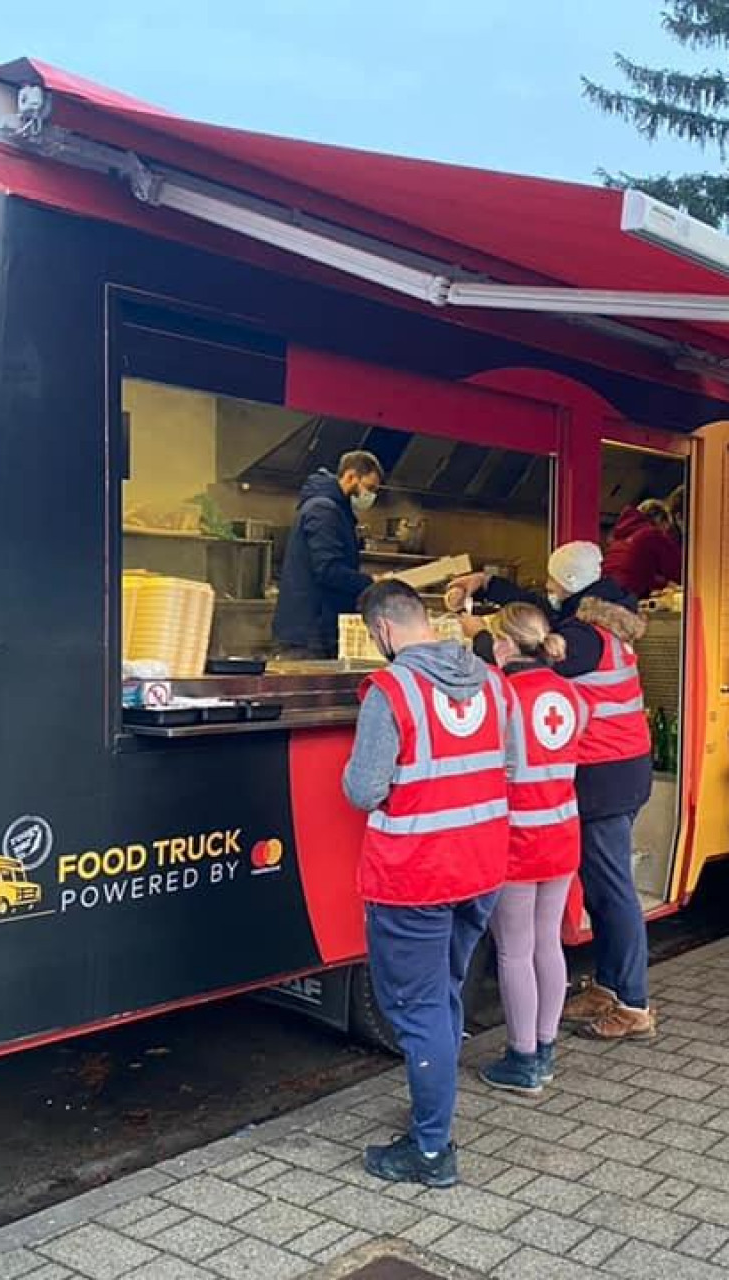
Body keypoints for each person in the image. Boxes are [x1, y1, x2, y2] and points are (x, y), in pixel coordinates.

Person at [450, 540, 657, 1042]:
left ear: (571, 586)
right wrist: (489, 584)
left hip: (605, 776)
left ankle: (633, 1004)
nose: (547, 590)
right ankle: (608, 987)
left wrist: (482, 637)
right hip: (618, 770)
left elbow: (526, 655)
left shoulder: (582, 638)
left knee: (613, 891)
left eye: (553, 581)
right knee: (602, 889)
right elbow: (538, 612)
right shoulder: (599, 619)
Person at [341, 580, 510, 1188]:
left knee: (418, 1009)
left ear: (383, 630)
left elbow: (364, 790)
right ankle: (432, 1106)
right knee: (444, 992)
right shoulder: (493, 682)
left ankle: (432, 1150)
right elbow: (509, 766)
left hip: (414, 874)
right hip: (481, 865)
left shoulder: (391, 689)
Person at [478, 603, 587, 1096]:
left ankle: (521, 1059)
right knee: (548, 942)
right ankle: (545, 1049)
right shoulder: (572, 695)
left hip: (517, 838)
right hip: (562, 831)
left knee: (515, 950)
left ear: (504, 643)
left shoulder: (502, 696)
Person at [272, 450, 383, 659]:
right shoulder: (324, 510)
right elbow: (328, 570)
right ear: (350, 476)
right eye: (369, 488)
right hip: (309, 633)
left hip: (317, 630)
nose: (371, 497)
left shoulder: (336, 511)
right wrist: (370, 582)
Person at [601, 498, 682, 599]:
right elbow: (680, 571)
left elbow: (636, 571)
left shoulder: (620, 537)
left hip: (603, 593)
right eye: (666, 528)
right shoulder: (652, 534)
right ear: (661, 521)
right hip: (625, 596)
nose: (666, 533)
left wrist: (663, 584)